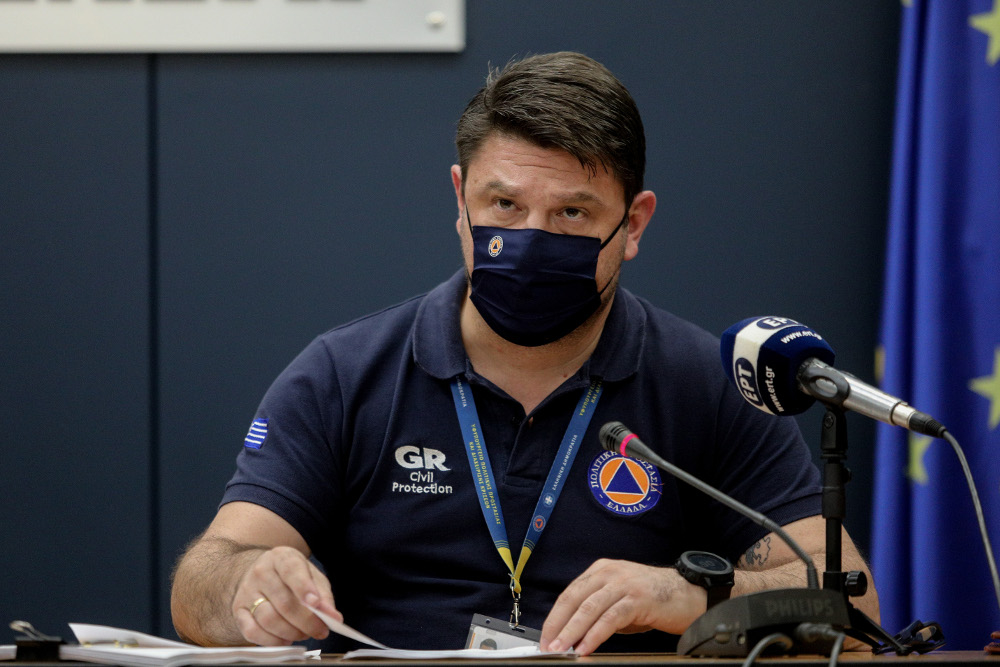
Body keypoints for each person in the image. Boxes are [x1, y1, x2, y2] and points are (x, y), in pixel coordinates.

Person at [170, 51, 878, 655]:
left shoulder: (705, 384)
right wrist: (248, 586)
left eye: (571, 213)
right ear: (460, 199)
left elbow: (853, 604)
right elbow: (199, 587)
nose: (530, 240)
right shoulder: (344, 374)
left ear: (633, 223)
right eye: (504, 206)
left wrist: (687, 592)